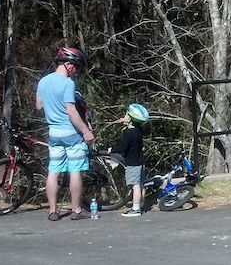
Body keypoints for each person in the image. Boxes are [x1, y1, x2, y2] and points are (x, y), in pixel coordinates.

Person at [35, 47, 95, 221]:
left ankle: (53, 211)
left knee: (53, 171)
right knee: (75, 171)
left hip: (53, 133)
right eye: (76, 67)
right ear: (69, 65)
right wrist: (86, 131)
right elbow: (71, 111)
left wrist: (52, 107)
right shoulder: (68, 83)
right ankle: (76, 210)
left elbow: (39, 105)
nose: (76, 72)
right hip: (71, 133)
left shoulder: (43, 81)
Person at [106, 104, 150, 216]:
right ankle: (141, 204)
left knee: (134, 185)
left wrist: (112, 149)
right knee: (141, 184)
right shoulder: (138, 130)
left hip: (132, 163)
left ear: (130, 118)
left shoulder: (128, 133)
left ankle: (135, 209)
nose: (124, 116)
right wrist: (125, 122)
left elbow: (123, 147)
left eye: (126, 115)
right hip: (140, 161)